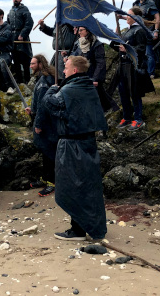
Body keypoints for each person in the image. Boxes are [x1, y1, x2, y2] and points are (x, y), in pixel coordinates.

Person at [41, 56, 108, 240]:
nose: (63, 70)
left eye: (66, 67)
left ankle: (78, 230)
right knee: (88, 186)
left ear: (75, 70)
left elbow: (51, 105)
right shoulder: (88, 87)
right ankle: (92, 227)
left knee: (70, 187)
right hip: (88, 143)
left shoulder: (70, 89)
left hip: (72, 144)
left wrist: (50, 91)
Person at [112, 7, 154, 131]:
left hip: (133, 66)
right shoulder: (127, 32)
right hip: (123, 65)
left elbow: (141, 48)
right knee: (123, 92)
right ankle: (126, 117)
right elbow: (118, 47)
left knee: (134, 93)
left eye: (128, 15)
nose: (126, 17)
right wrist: (114, 37)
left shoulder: (139, 30)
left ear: (135, 17)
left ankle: (138, 119)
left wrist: (128, 49)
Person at [24, 54, 57, 197]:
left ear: (40, 64)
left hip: (47, 124)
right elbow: (39, 103)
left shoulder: (45, 82)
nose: (30, 66)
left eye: (33, 64)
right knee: (44, 151)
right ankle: (45, 178)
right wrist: (32, 111)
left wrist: (38, 123)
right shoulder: (42, 79)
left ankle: (52, 182)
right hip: (43, 120)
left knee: (49, 152)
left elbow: (44, 105)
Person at [69, 26, 119, 112]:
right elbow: (75, 55)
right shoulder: (78, 43)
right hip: (82, 75)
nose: (79, 32)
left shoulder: (96, 44)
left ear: (87, 31)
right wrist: (68, 57)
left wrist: (95, 78)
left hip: (92, 76)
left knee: (97, 97)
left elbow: (100, 63)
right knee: (98, 97)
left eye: (81, 30)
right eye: (79, 30)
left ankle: (110, 111)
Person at [133, 0, 160, 78]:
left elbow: (157, 18)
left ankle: (151, 73)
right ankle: (142, 73)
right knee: (140, 53)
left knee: (149, 53)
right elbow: (132, 18)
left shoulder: (150, 3)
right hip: (138, 32)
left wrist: (156, 31)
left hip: (148, 31)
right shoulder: (135, 4)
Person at [7, 0, 34, 84]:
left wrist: (23, 34)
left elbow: (29, 23)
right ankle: (18, 81)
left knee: (25, 60)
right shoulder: (10, 11)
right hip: (13, 39)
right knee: (16, 60)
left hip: (22, 38)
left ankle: (27, 80)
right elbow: (8, 25)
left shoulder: (25, 10)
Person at [0, 8, 15, 92]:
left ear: (1, 15)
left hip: (4, 53)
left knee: (2, 65)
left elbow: (3, 39)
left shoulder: (7, 27)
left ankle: (10, 87)